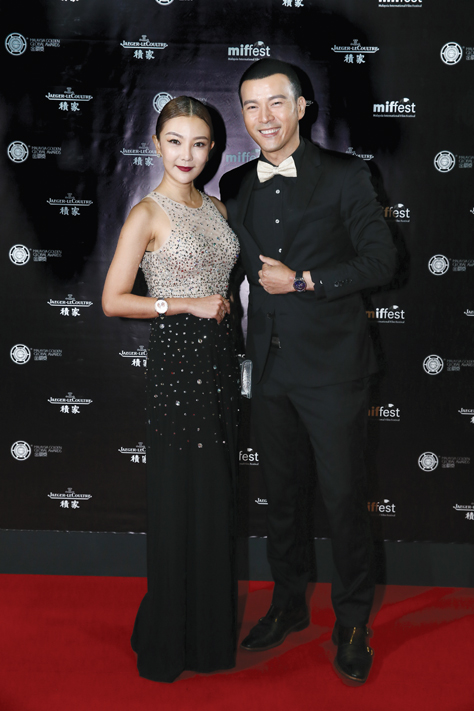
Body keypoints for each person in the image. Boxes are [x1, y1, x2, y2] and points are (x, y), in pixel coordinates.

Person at [219, 59, 398, 685]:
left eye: (276, 103)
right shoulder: (235, 183)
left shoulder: (348, 175)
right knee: (283, 502)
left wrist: (303, 281)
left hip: (334, 370)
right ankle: (289, 603)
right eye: (251, 106)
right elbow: (229, 269)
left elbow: (383, 261)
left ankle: (352, 623)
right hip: (268, 370)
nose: (263, 117)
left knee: (344, 500)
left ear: (301, 108)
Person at [102, 96, 240, 683]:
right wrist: (183, 303)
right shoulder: (146, 213)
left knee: (213, 498)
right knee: (180, 495)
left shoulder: (218, 208)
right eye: (176, 141)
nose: (187, 154)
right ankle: (169, 639)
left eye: (199, 143)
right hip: (178, 364)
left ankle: (207, 639)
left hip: (220, 361)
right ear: (156, 144)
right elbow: (113, 300)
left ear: (212, 150)